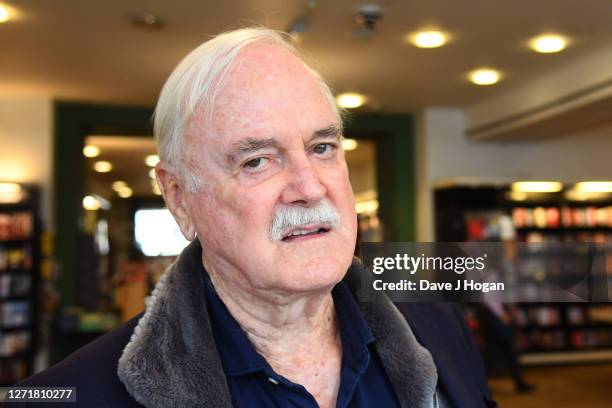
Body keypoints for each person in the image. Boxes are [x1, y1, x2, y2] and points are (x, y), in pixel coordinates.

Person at [15, 27, 496, 407]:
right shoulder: (75, 395)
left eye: (322, 147)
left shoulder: (436, 326)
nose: (310, 188)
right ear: (180, 198)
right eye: (257, 161)